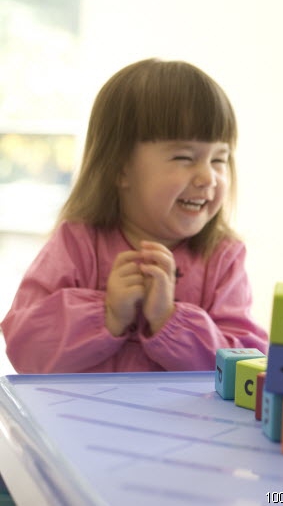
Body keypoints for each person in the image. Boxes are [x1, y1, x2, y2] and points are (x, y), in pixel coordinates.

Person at [1, 58, 267, 373]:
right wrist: (108, 314)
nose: (208, 178)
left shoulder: (222, 258)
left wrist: (169, 321)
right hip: (77, 420)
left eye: (219, 159)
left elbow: (249, 366)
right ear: (120, 168)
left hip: (184, 423)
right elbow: (25, 349)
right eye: (184, 157)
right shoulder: (77, 242)